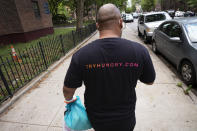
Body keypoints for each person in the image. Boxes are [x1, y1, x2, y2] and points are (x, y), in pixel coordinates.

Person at [63, 3, 156, 131]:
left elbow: (68, 90)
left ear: (97, 26)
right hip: (126, 120)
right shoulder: (140, 51)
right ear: (120, 22)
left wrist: (70, 102)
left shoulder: (81, 55)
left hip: (97, 120)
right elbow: (149, 80)